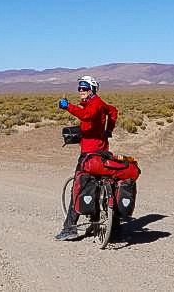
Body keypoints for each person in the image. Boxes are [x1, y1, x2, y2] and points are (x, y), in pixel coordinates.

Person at [55, 75, 119, 241]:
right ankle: (102, 222)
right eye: (79, 88)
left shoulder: (95, 104)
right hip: (103, 152)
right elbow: (113, 111)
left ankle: (70, 228)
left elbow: (87, 116)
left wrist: (67, 106)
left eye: (84, 88)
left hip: (91, 155)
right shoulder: (99, 103)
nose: (81, 91)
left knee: (78, 187)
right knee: (98, 185)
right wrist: (108, 130)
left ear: (92, 89)